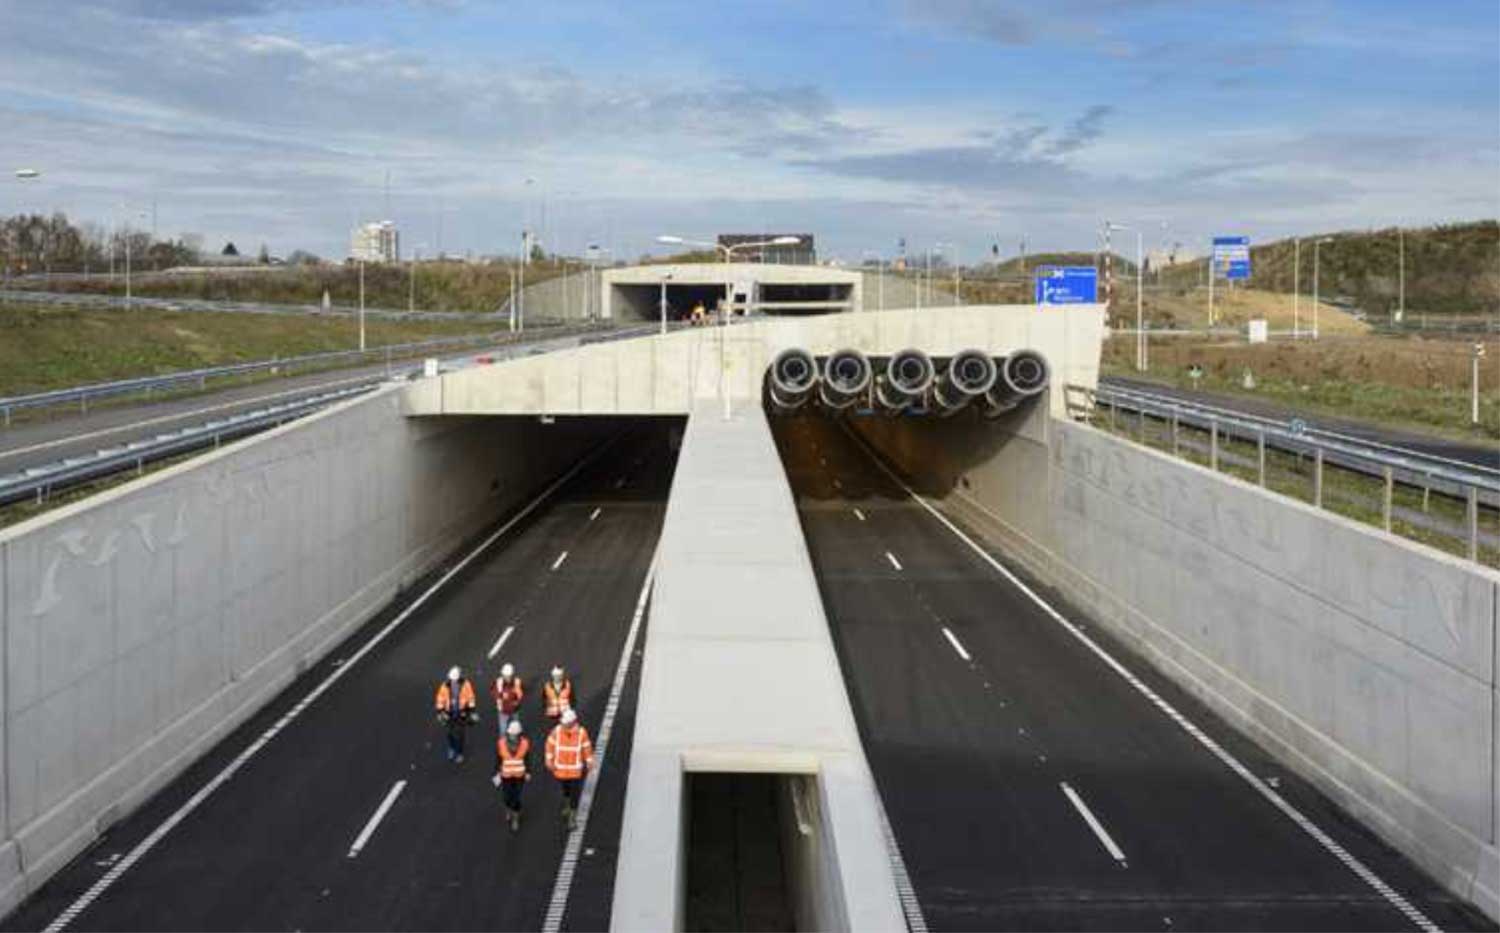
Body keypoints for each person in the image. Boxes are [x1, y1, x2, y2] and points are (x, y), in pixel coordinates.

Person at [545, 707, 593, 830]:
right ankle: (567, 805)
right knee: (566, 790)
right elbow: (549, 745)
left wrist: (589, 761)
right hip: (561, 771)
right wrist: (549, 760)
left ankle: (572, 816)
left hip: (575, 771)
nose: (563, 724)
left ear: (572, 722)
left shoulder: (582, 733)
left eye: (566, 723)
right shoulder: (556, 731)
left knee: (574, 794)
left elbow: (586, 747)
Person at [492, 719, 531, 832]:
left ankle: (515, 818)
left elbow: (527, 759)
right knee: (507, 796)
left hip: (519, 775)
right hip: (506, 774)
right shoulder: (501, 743)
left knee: (516, 797)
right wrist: (496, 772)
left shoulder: (524, 743)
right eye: (511, 734)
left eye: (515, 734)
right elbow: (498, 759)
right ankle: (508, 808)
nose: (513, 736)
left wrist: (528, 771)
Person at [434, 665, 477, 763]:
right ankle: (452, 748)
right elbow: (440, 699)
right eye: (452, 679)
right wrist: (441, 712)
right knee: (450, 734)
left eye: (455, 679)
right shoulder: (445, 685)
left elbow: (471, 697)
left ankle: (459, 753)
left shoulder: (466, 684)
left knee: (460, 734)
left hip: (462, 713)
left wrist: (472, 711)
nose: (453, 681)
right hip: (449, 713)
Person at [491, 663, 524, 737]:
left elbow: (521, 694)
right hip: (503, 710)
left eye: (509, 676)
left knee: (516, 728)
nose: (507, 678)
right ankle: (503, 744)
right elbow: (494, 693)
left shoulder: (517, 682)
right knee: (503, 730)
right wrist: (502, 696)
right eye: (505, 676)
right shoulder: (498, 682)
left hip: (514, 709)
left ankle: (517, 741)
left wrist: (514, 697)